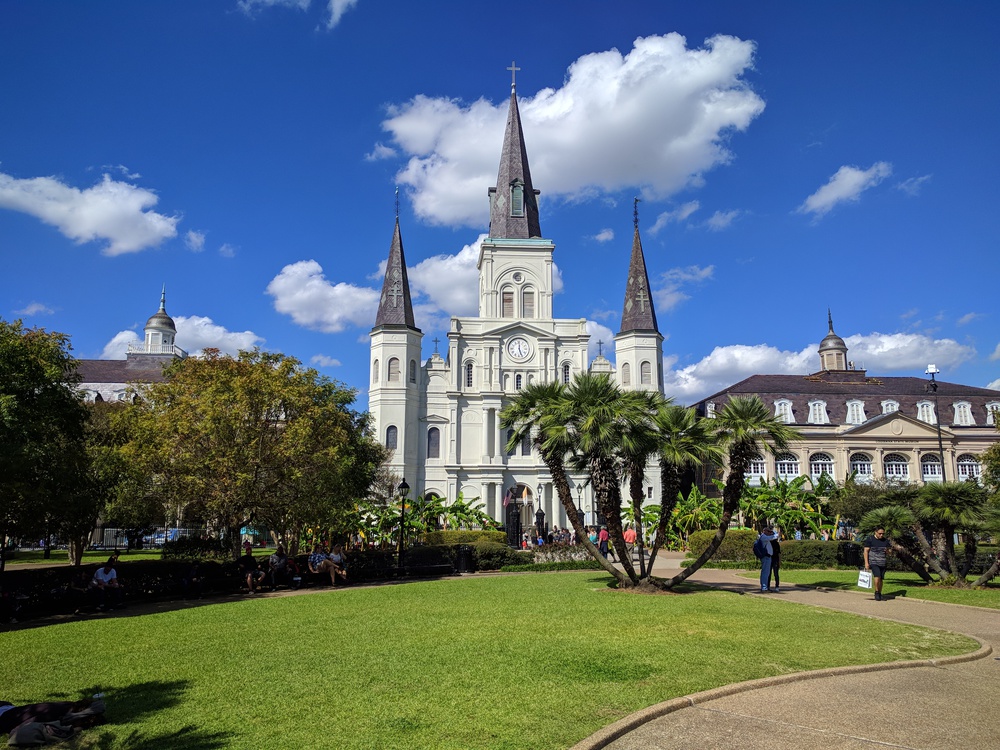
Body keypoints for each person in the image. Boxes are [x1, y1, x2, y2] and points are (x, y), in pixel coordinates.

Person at [864, 526, 891, 601]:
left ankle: (879, 592)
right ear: (875, 532)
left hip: (882, 562)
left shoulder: (886, 541)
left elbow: (889, 552)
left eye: (883, 534)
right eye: (880, 533)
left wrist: (888, 551)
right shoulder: (870, 539)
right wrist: (866, 562)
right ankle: (876, 592)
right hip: (873, 562)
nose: (881, 535)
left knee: (881, 579)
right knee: (877, 576)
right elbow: (866, 551)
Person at [756, 526, 779, 592]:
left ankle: (764, 586)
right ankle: (764, 587)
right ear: (764, 531)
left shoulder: (764, 537)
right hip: (766, 557)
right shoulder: (764, 537)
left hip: (768, 557)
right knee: (765, 573)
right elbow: (773, 537)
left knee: (766, 572)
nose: (769, 533)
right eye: (768, 531)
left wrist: (772, 532)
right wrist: (777, 533)